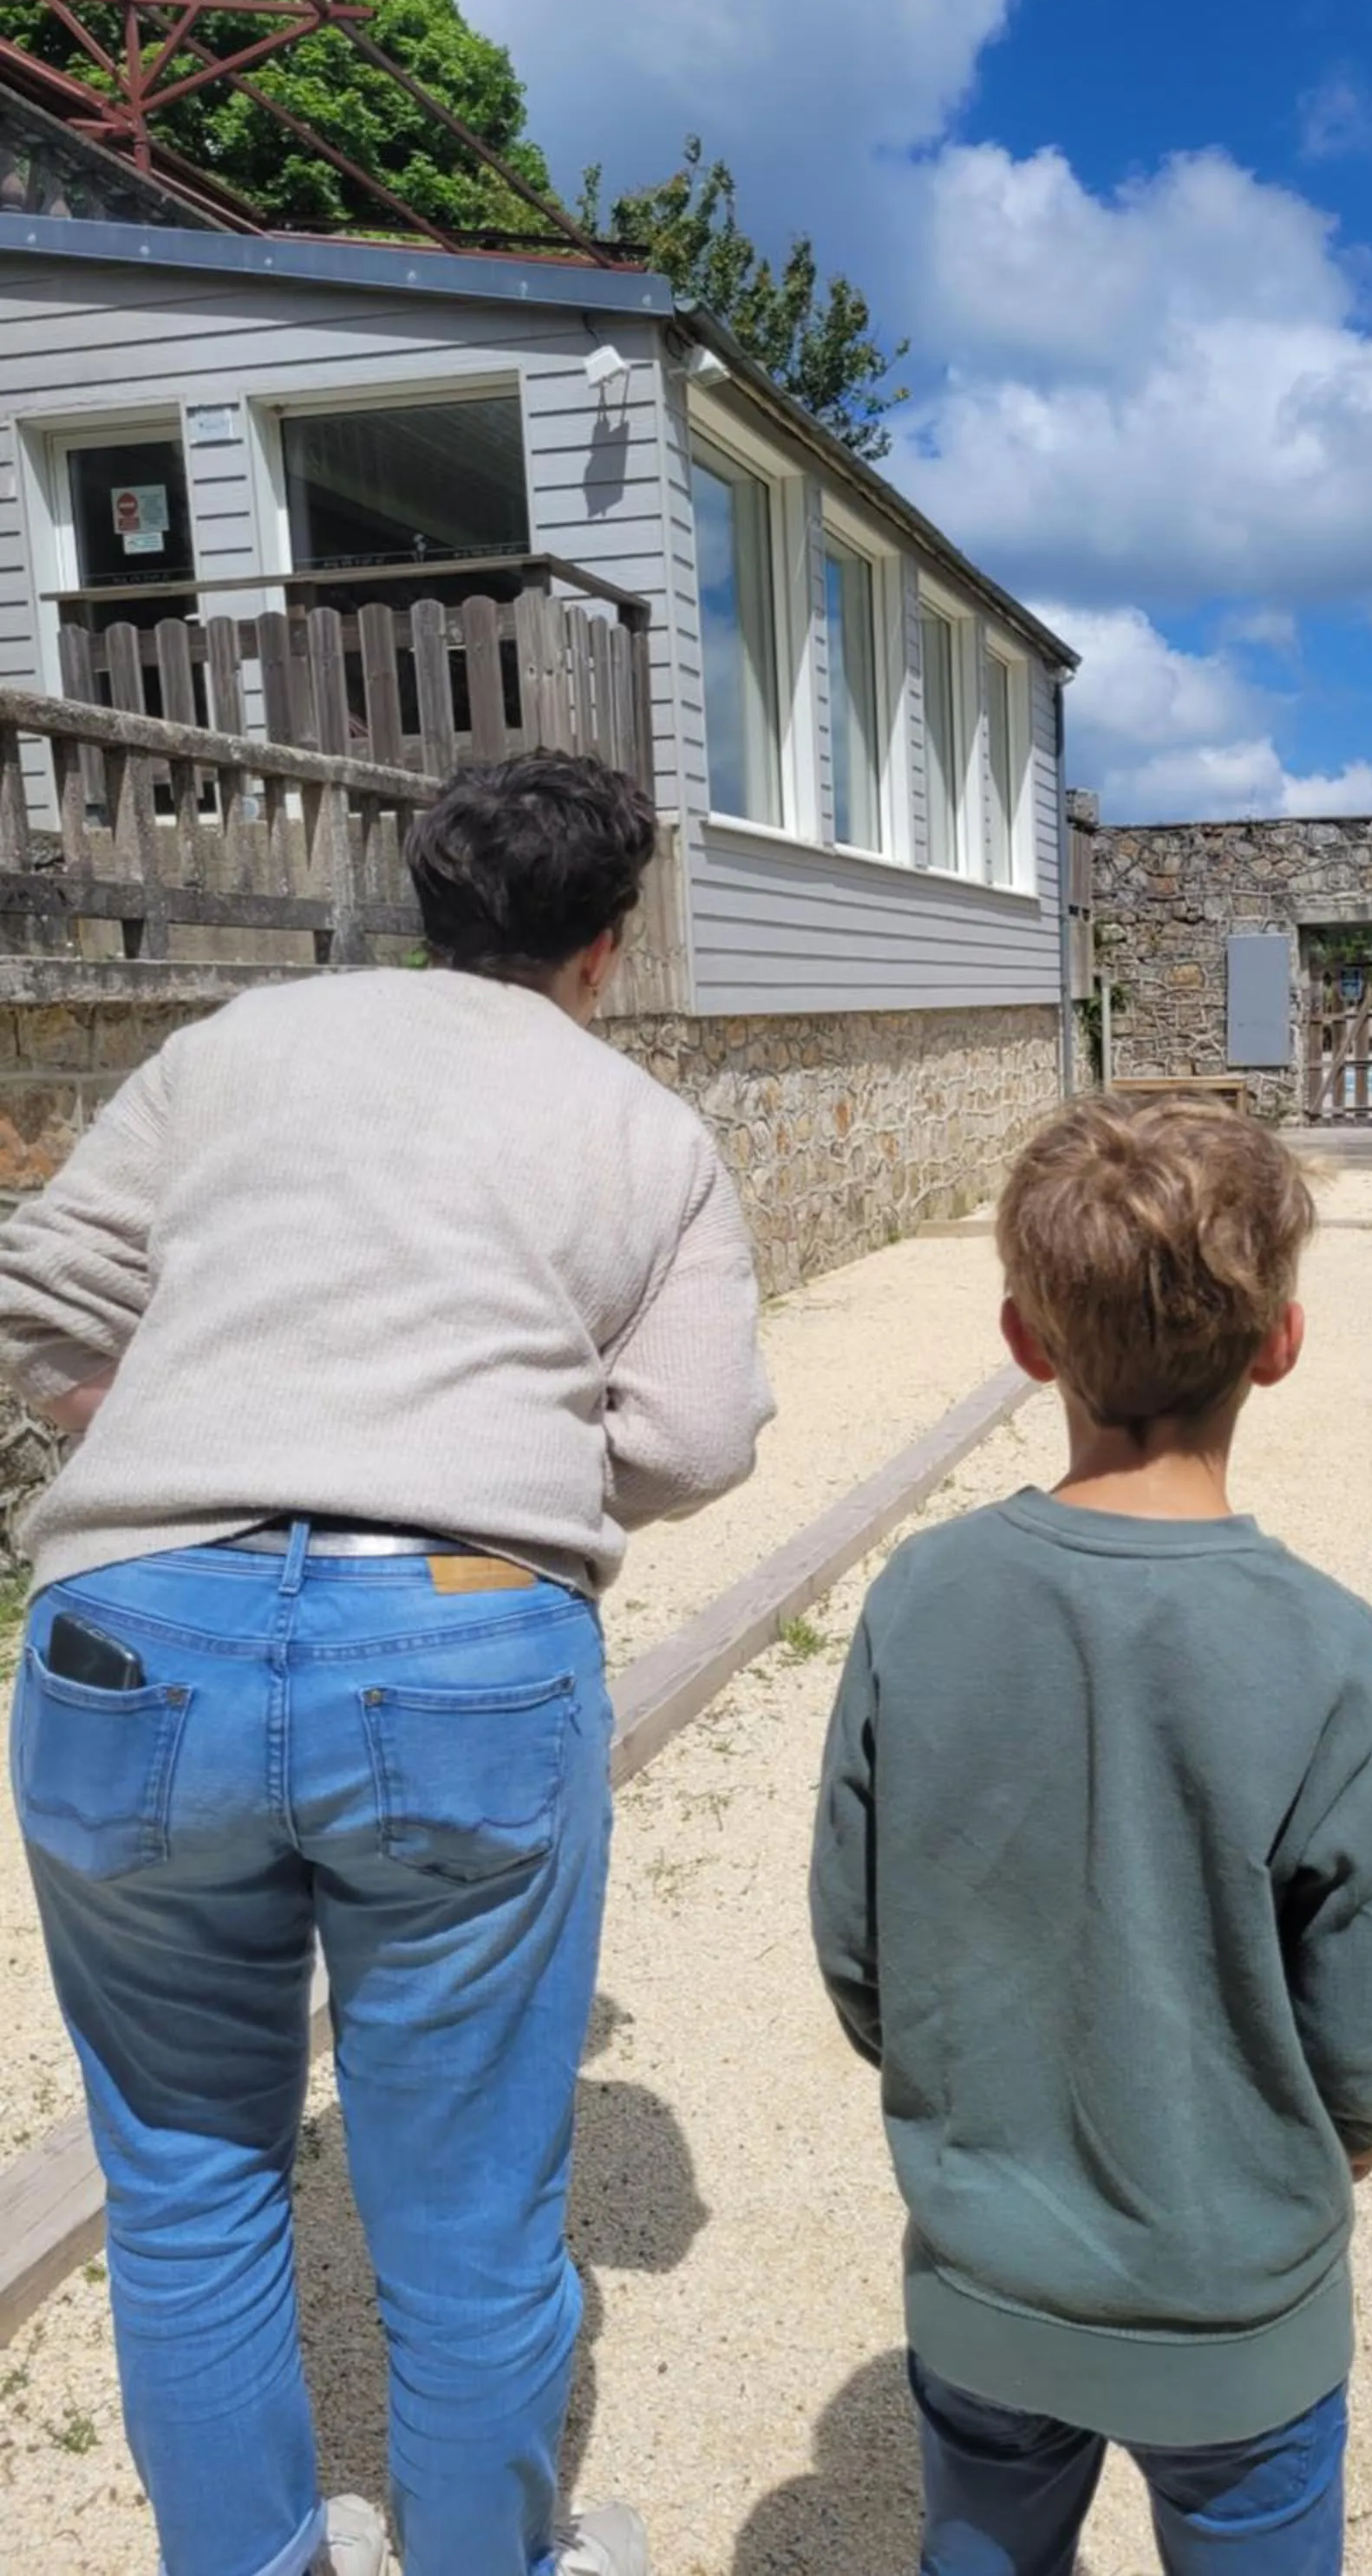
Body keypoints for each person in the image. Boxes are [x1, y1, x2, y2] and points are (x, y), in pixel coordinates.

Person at [0, 752, 774, 2576]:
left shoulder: (232, 1053)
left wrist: (171, 1428)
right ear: (610, 939)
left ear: (424, 904)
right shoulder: (643, 1131)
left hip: (134, 1625)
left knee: (187, 2185)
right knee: (474, 2220)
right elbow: (692, 1442)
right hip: (455, 1637)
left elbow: (37, 1295)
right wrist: (477, 1469)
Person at [810, 1095, 1372, 2576]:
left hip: (987, 2269)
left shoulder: (923, 1596)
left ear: (1026, 1340)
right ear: (1279, 1342)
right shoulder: (1322, 1644)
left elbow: (858, 1947)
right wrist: (1347, 2129)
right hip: (1234, 2301)